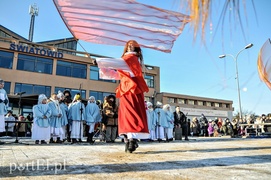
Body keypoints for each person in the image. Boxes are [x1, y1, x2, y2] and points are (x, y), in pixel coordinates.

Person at [96, 40, 149, 153]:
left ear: (136, 48)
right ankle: (128, 139)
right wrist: (102, 67)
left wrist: (99, 61)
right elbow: (116, 74)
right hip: (125, 90)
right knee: (125, 115)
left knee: (131, 114)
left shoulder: (132, 59)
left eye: (132, 46)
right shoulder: (126, 60)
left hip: (132, 90)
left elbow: (118, 63)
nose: (130, 47)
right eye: (129, 45)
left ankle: (131, 139)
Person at [0, 79, 8, 144]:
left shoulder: (4, 91)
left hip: (1, 109)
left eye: (3, 84)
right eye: (1, 84)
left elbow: (6, 98)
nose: (2, 85)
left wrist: (6, 101)